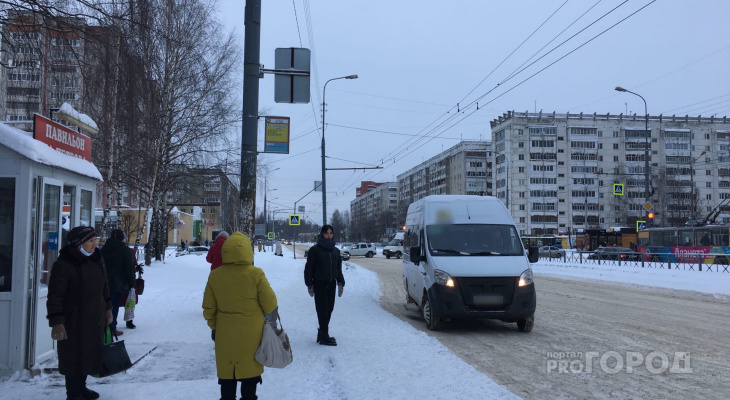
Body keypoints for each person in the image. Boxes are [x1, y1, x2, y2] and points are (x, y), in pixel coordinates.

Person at [203, 232, 278, 400]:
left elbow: (208, 308)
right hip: (252, 334)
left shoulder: (215, 275)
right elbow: (270, 303)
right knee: (250, 379)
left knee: (228, 379)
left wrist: (215, 326)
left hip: (225, 333)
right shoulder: (256, 274)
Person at [47, 226, 112, 400]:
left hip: (94, 320)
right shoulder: (64, 264)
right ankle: (73, 393)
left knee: (89, 355)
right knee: (73, 358)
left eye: (95, 240)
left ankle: (82, 387)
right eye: (90, 241)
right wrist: (57, 322)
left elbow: (104, 287)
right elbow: (55, 296)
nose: (94, 244)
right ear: (78, 244)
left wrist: (108, 309)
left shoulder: (96, 259)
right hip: (72, 321)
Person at [304, 225, 345, 346]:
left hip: (331, 283)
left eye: (331, 233)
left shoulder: (336, 251)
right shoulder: (315, 250)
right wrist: (309, 284)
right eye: (326, 233)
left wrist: (341, 282)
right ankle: (324, 336)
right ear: (322, 234)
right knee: (322, 310)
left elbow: (338, 269)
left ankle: (322, 333)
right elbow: (309, 268)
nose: (329, 235)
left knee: (330, 309)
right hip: (319, 283)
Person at [101, 229, 135, 336]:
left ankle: (103, 328)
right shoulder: (124, 250)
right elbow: (129, 268)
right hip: (118, 283)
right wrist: (131, 282)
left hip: (103, 282)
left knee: (104, 305)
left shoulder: (104, 249)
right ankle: (112, 328)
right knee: (113, 305)